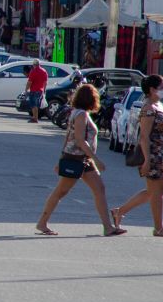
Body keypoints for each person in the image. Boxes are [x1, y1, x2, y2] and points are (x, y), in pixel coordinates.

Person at [112, 73, 163, 237]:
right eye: (162, 86)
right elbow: (144, 136)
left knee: (153, 191)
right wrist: (147, 161)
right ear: (152, 89)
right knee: (158, 189)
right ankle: (158, 228)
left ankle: (120, 212)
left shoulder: (159, 106)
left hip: (158, 152)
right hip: (151, 154)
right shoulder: (148, 108)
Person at [36, 83, 125, 236]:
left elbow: (68, 137)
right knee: (61, 191)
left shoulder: (77, 112)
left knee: (99, 189)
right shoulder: (81, 115)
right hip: (77, 158)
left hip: (81, 158)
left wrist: (61, 158)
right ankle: (42, 223)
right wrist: (95, 159)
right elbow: (79, 139)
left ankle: (107, 227)